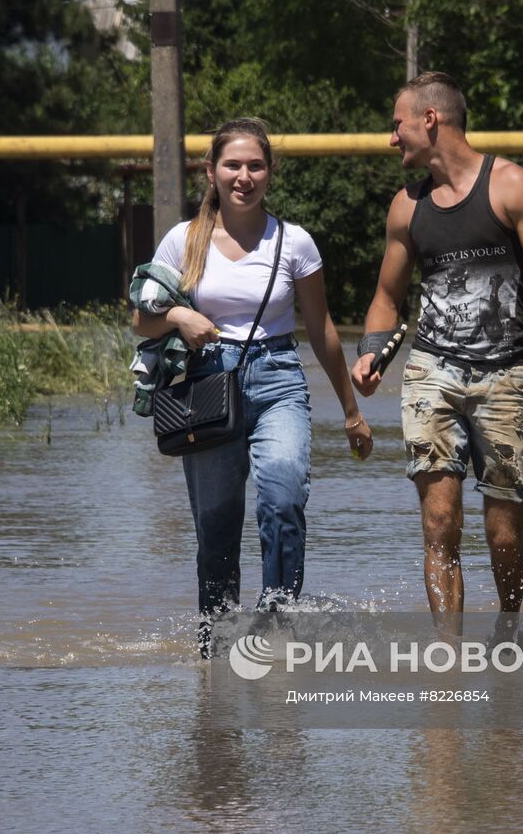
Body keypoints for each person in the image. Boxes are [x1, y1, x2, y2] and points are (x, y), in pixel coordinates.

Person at [132, 118, 372, 649]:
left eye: (255, 165)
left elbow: (323, 329)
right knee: (216, 527)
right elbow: (141, 321)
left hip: (278, 379)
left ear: (271, 172)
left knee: (283, 496)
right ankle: (215, 650)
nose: (244, 176)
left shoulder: (295, 242)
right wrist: (178, 317)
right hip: (205, 383)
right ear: (212, 171)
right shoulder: (184, 240)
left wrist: (352, 413)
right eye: (233, 165)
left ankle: (276, 627)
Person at [350, 72, 523, 618]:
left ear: (430, 119)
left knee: (503, 534)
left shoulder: (510, 186)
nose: (391, 137)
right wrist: (372, 348)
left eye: (397, 123)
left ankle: (507, 628)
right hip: (432, 372)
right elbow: (386, 296)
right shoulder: (406, 207)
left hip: (508, 375)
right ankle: (447, 659)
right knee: (439, 525)